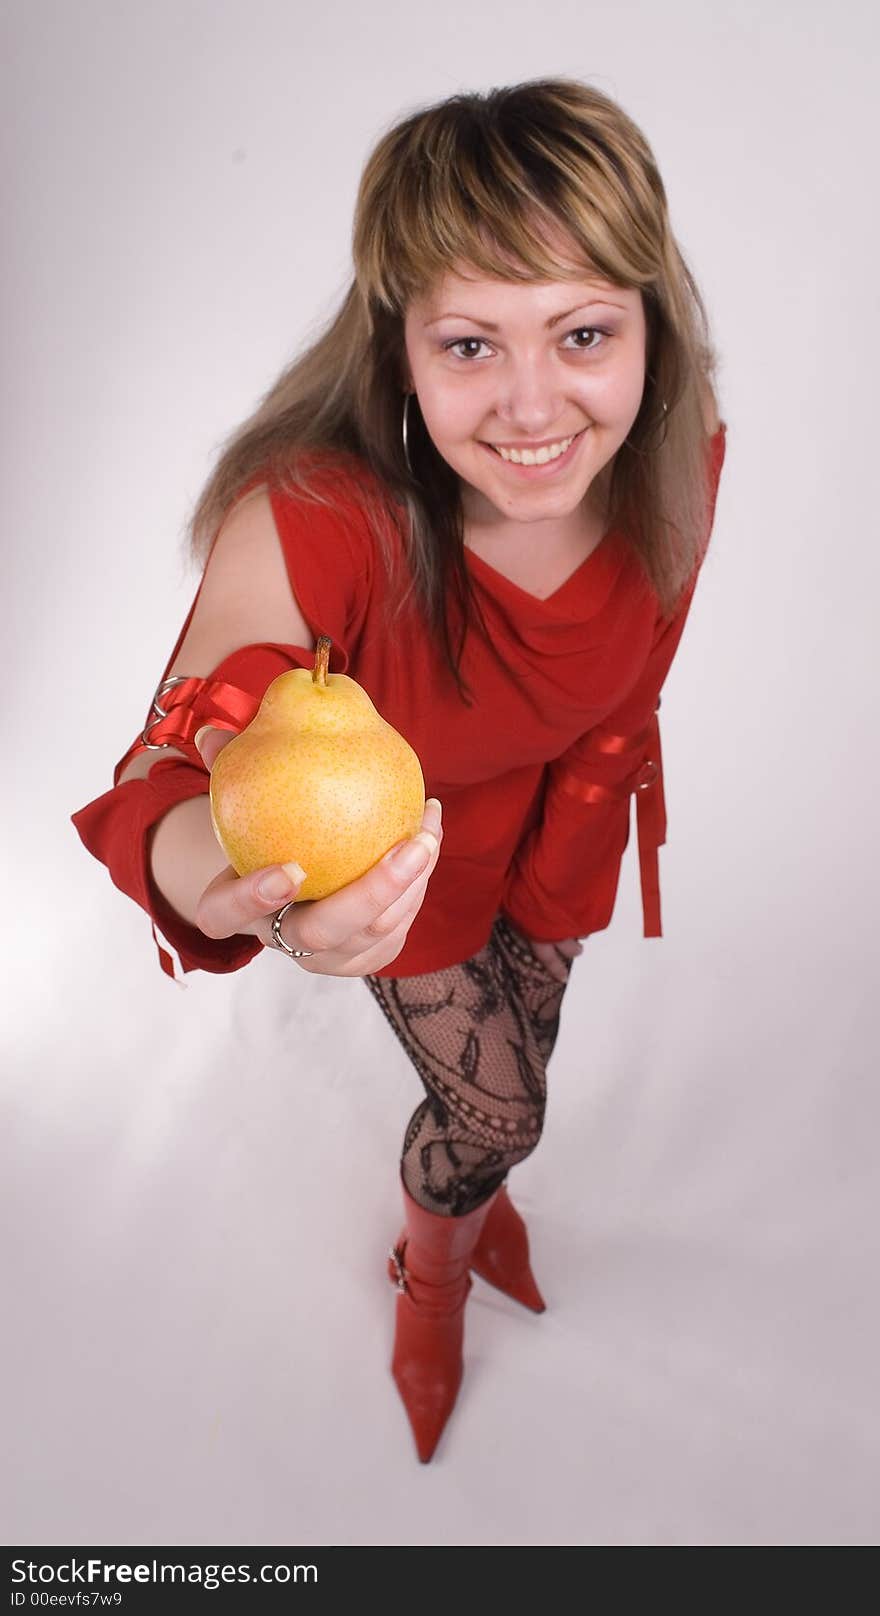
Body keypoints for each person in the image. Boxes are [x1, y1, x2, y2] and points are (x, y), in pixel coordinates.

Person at [72, 76, 727, 1464]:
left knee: (504, 1103)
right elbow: (177, 764)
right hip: (403, 867)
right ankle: (431, 1272)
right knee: (501, 1112)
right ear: (404, 349)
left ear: (652, 333)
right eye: (474, 344)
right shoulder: (322, 521)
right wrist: (244, 887)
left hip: (570, 822)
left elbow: (641, 656)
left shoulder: (683, 457)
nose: (535, 406)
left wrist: (595, 813)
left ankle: (476, 1197)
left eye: (585, 333)